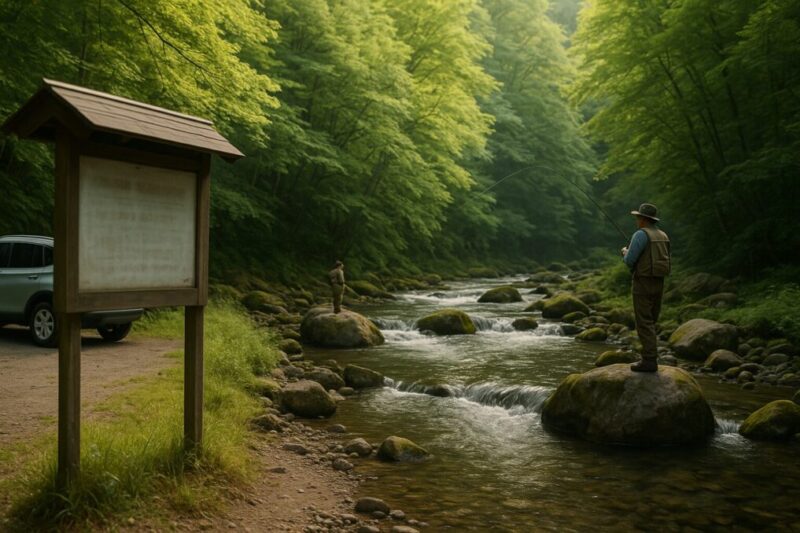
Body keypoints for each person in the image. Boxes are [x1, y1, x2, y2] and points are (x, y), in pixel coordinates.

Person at [621, 203, 671, 372]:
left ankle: (649, 360)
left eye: (638, 217)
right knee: (651, 320)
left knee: (644, 322)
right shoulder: (663, 235)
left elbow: (630, 261)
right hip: (659, 281)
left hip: (643, 281)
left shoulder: (640, 234)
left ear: (643, 219)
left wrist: (625, 252)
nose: (637, 220)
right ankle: (650, 356)